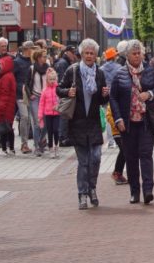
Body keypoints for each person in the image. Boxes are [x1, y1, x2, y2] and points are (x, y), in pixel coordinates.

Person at [58, 38, 110, 210]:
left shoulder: (100, 73)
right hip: (78, 123)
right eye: (86, 53)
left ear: (96, 56)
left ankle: (92, 188)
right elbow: (59, 89)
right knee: (84, 161)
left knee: (95, 158)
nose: (89, 56)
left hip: (94, 122)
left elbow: (103, 100)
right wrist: (68, 91)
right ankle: (82, 194)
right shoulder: (72, 70)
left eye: (92, 53)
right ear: (81, 54)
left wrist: (105, 94)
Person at [109, 40, 154, 204]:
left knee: (146, 155)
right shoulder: (119, 74)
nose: (137, 56)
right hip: (128, 124)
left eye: (139, 53)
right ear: (127, 56)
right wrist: (118, 119)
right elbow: (113, 98)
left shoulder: (149, 70)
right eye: (134, 54)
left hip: (145, 121)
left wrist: (150, 94)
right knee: (131, 158)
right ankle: (134, 192)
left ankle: (148, 190)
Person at [27, 48, 51, 156]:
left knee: (46, 123)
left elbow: (53, 82)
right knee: (37, 122)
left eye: (46, 56)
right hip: (35, 97)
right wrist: (30, 94)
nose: (46, 58)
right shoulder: (32, 69)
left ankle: (42, 141)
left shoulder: (49, 69)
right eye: (44, 56)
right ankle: (36, 146)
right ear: (38, 58)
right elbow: (27, 83)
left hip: (46, 98)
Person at [0, 55, 17, 156]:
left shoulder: (6, 77)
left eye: (1, 65)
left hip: (5, 108)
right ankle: (11, 148)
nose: (0, 67)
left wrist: (1, 108)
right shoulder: (9, 76)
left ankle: (4, 149)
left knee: (4, 129)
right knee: (9, 128)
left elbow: (5, 94)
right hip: (9, 107)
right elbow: (5, 89)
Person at [14, 41, 36, 154]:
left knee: (31, 119)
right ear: (27, 49)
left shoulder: (33, 62)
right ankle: (24, 143)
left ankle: (32, 143)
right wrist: (20, 88)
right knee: (25, 117)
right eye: (32, 49)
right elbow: (14, 78)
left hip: (31, 93)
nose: (34, 50)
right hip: (21, 94)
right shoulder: (17, 62)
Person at [100, 47, 122, 149]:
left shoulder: (101, 69)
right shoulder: (119, 67)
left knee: (107, 117)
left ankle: (110, 141)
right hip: (117, 95)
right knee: (116, 115)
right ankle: (118, 136)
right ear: (114, 57)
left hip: (105, 95)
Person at [38, 68, 61, 159]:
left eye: (54, 79)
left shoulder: (58, 89)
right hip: (47, 114)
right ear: (47, 80)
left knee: (56, 130)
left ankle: (56, 145)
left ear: (56, 79)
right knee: (50, 131)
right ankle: (51, 148)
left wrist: (58, 107)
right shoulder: (44, 91)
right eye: (50, 79)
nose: (52, 81)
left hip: (56, 113)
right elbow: (41, 104)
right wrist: (40, 115)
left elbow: (61, 100)